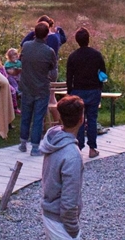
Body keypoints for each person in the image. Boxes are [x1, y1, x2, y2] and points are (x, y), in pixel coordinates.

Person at [40, 95, 86, 239]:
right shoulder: (72, 155)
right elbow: (69, 201)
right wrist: (73, 230)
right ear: (81, 120)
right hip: (60, 223)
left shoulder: (54, 139)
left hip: (48, 214)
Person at [65, 28, 107, 158]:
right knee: (92, 119)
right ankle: (92, 148)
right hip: (94, 90)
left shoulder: (73, 56)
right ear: (88, 39)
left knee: (79, 120)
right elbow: (103, 73)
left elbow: (69, 77)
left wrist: (69, 92)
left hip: (78, 91)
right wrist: (99, 87)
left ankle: (79, 147)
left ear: (77, 41)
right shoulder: (96, 55)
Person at [19, 21, 58, 155]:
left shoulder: (26, 46)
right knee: (38, 118)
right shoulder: (49, 52)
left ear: (35, 33)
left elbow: (21, 61)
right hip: (41, 88)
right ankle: (35, 147)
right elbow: (53, 73)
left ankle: (23, 143)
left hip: (26, 86)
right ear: (47, 35)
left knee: (26, 115)